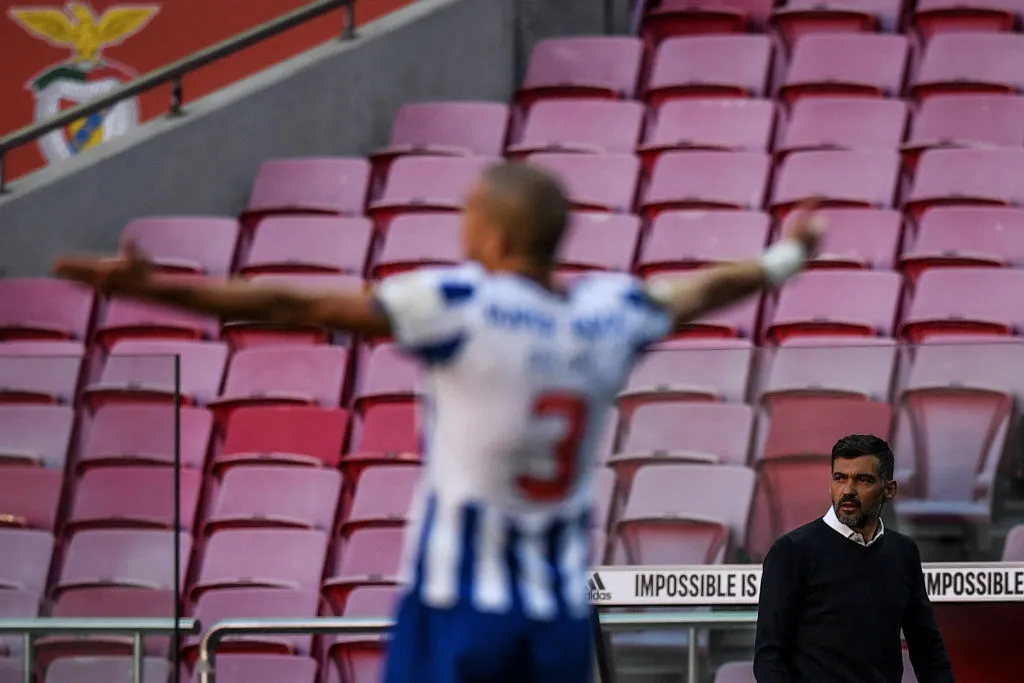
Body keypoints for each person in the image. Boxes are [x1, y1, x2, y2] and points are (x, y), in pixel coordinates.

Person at [54, 161, 823, 683]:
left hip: (458, 603)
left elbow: (294, 306)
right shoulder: (612, 312)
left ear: (493, 235)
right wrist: (790, 255)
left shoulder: (463, 305)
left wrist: (158, 290)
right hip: (555, 610)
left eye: (467, 215)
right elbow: (706, 289)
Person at [753, 433, 956, 683]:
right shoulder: (792, 551)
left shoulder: (903, 552)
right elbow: (769, 657)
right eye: (840, 478)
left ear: (889, 490)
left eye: (863, 480)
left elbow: (927, 648)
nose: (848, 491)